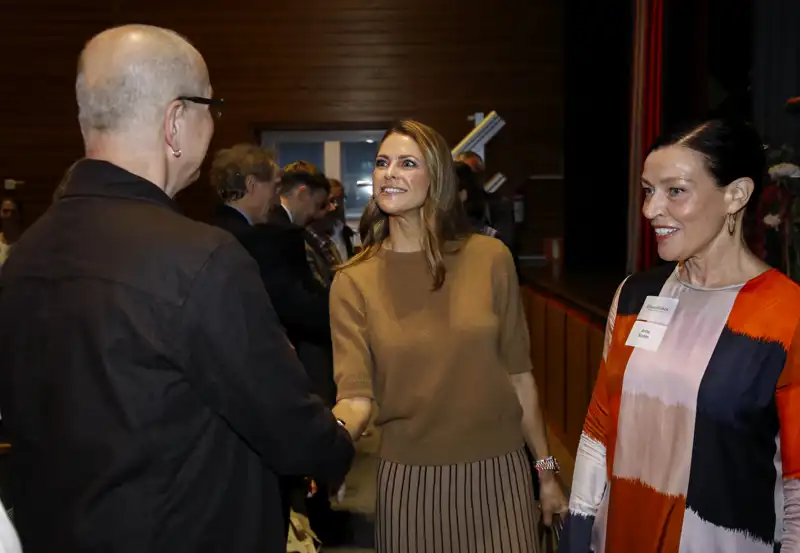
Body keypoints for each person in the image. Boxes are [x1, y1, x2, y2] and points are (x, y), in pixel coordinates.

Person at [0, 24, 353, 553]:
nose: (213, 122)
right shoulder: (200, 259)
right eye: (210, 106)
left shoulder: (26, 252)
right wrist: (342, 434)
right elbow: (290, 430)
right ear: (175, 122)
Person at [562, 119, 800, 552]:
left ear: (737, 195)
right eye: (648, 190)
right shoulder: (635, 294)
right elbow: (599, 429)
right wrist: (577, 533)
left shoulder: (788, 315)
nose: (651, 209)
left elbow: (797, 488)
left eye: (675, 191)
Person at [330, 120, 567, 553]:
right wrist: (323, 440)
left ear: (436, 177)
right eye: (382, 163)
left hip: (500, 475)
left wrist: (547, 474)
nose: (389, 173)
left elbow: (520, 377)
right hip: (409, 481)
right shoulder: (353, 281)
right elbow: (355, 397)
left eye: (406, 163)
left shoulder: (490, 258)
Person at [210, 143, 281, 232]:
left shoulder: (210, 227)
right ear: (251, 184)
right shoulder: (248, 240)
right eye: (275, 186)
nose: (278, 199)